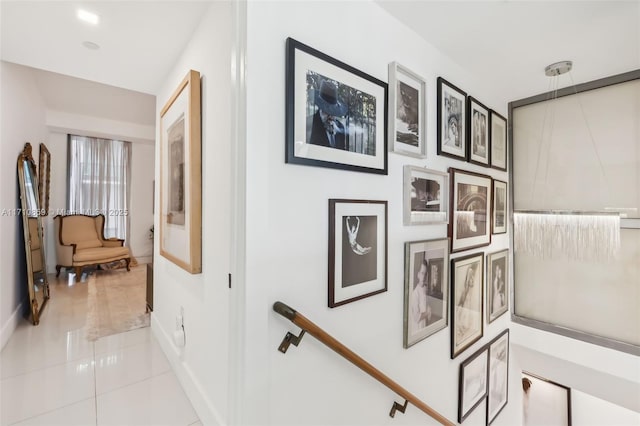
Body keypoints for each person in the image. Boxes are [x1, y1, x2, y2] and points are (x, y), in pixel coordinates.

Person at [308, 80, 348, 149]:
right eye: (327, 111)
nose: (331, 117)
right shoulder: (309, 123)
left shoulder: (340, 127)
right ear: (321, 107)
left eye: (333, 112)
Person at [410, 259, 432, 330]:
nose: (424, 276)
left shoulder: (426, 289)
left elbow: (427, 305)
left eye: (425, 274)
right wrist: (427, 312)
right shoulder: (415, 293)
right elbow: (416, 317)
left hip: (425, 325)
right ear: (418, 275)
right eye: (422, 273)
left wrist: (429, 310)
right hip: (417, 328)